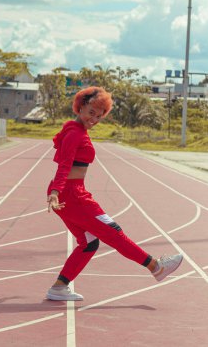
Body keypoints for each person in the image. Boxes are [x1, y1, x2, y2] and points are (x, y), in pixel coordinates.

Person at [46, 86, 183, 301]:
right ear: (80, 106)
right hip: (71, 195)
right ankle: (156, 267)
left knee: (89, 243)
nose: (94, 119)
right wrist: (56, 191)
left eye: (99, 116)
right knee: (113, 232)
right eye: (91, 112)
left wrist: (56, 191)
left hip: (70, 193)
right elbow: (64, 165)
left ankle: (60, 287)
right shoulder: (74, 133)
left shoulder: (75, 130)